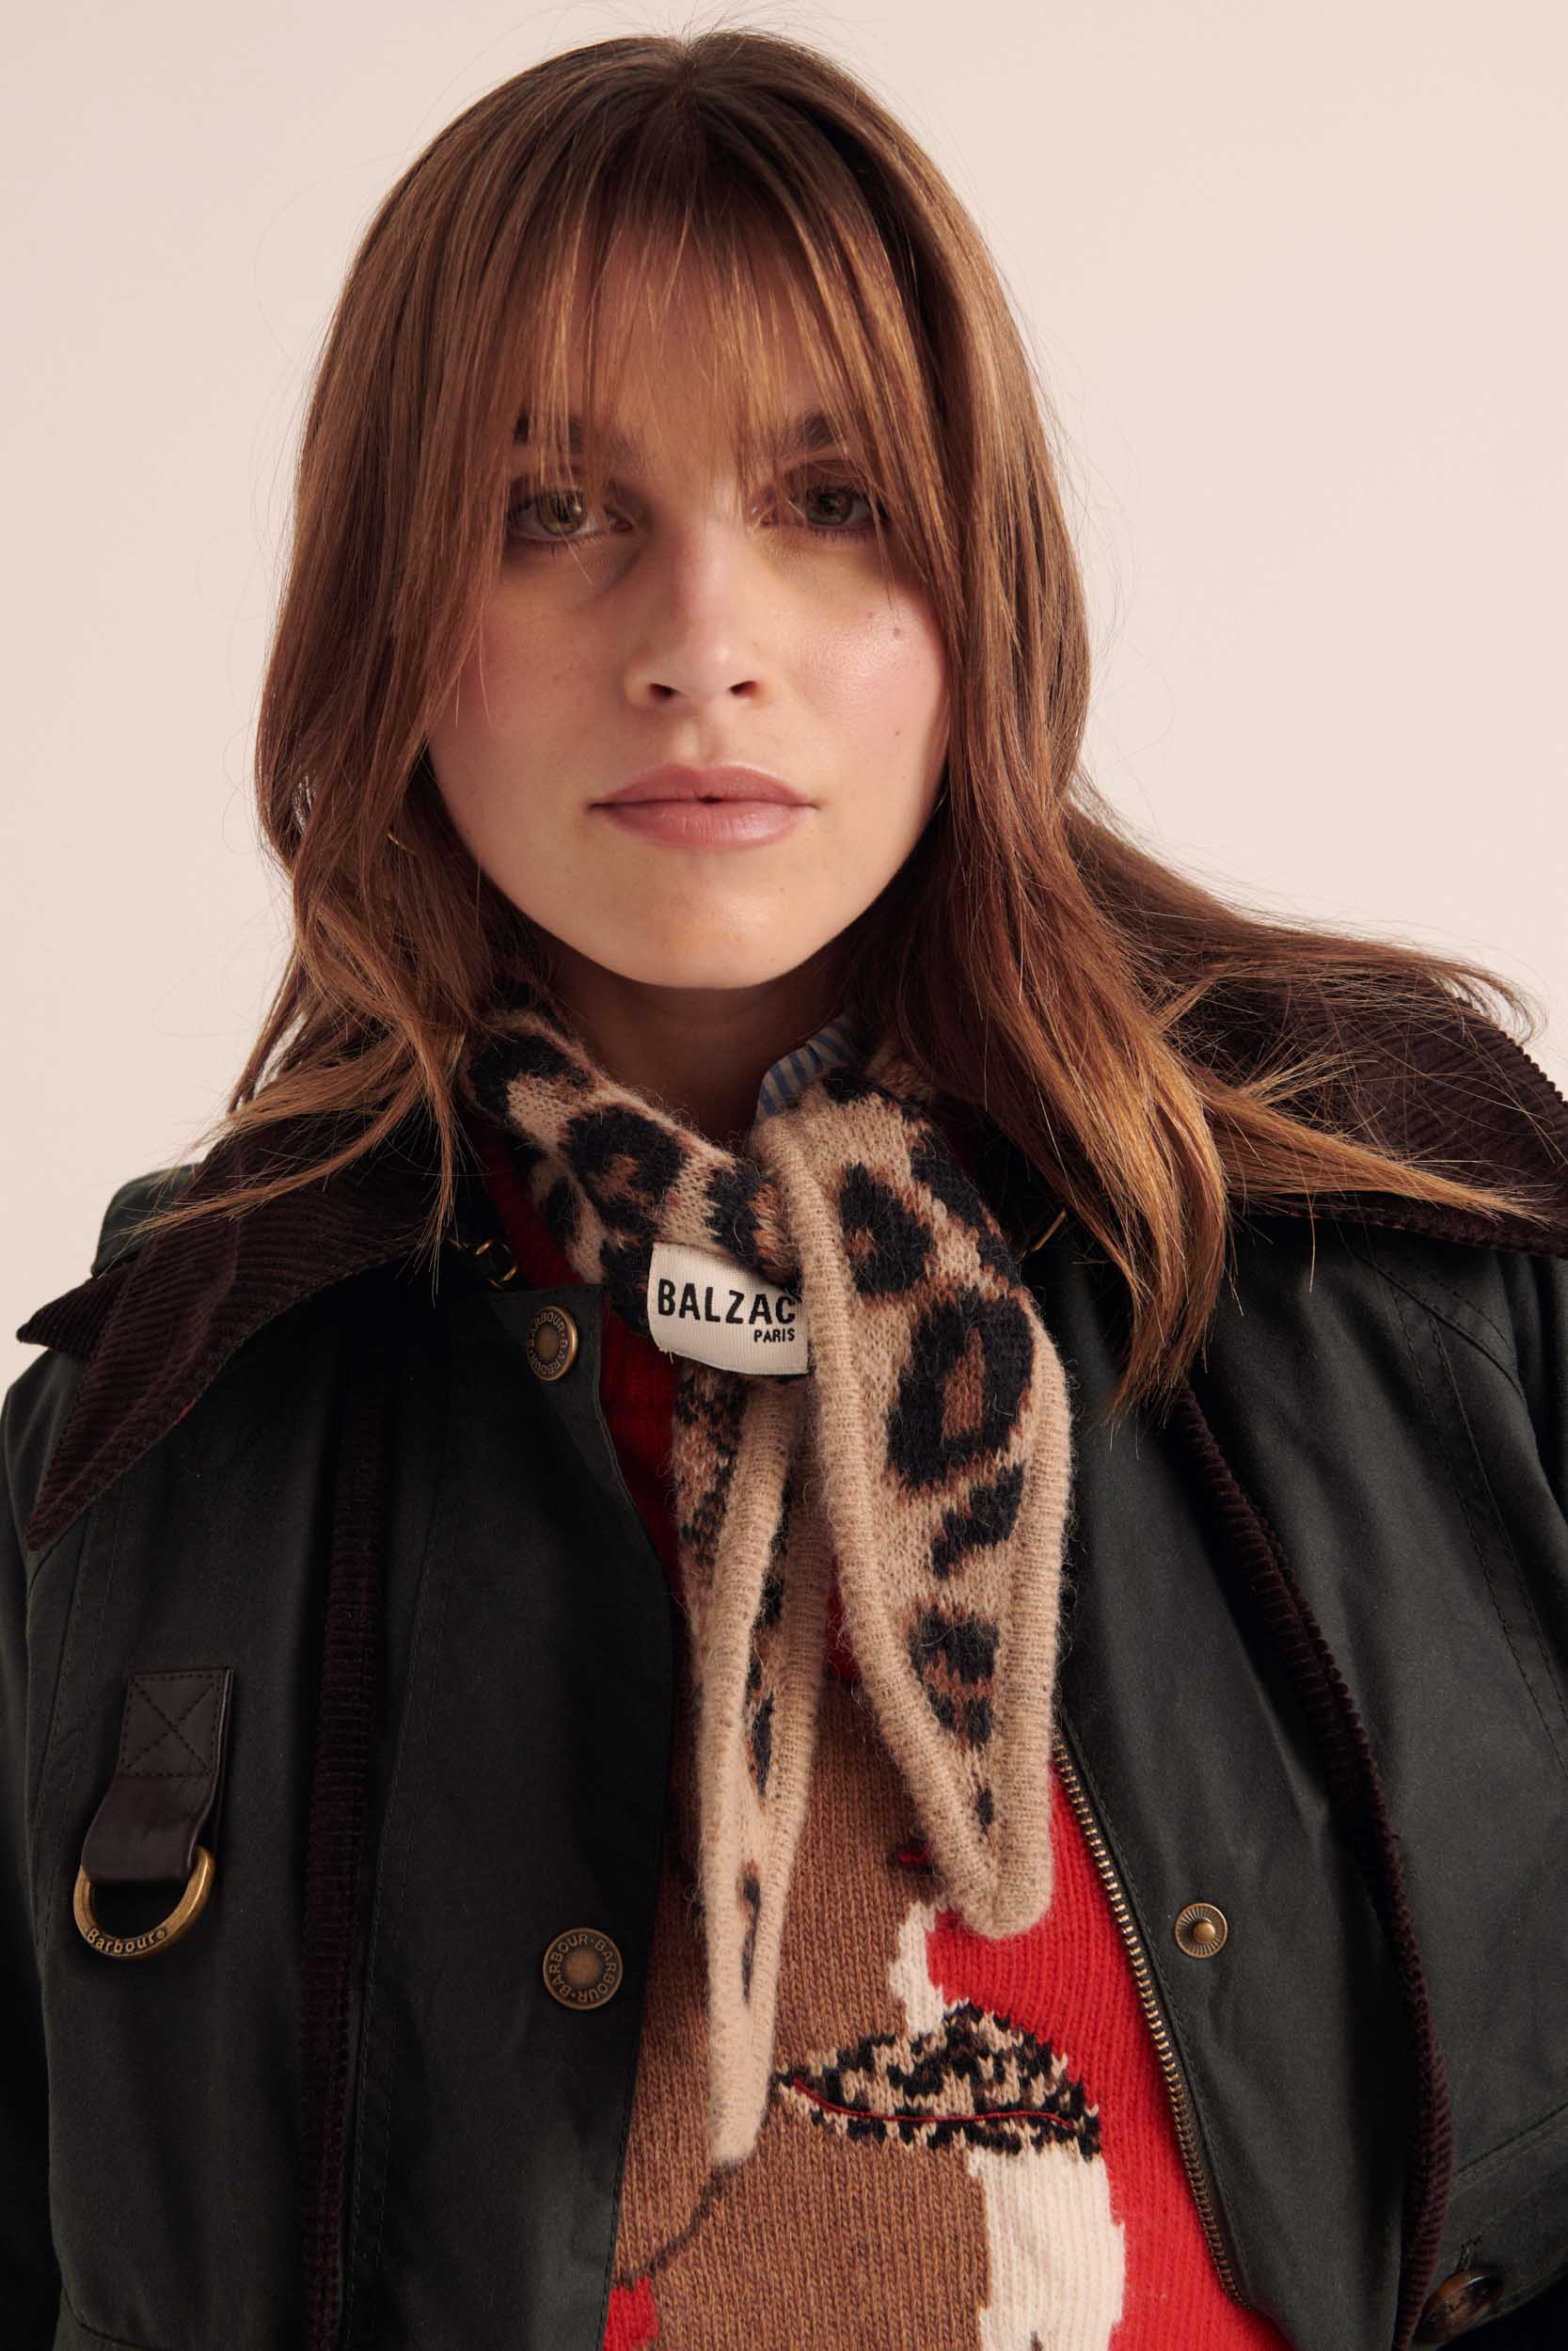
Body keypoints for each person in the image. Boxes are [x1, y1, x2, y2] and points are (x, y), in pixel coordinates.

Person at [4, 28, 1566, 2351]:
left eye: (831, 499)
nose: (700, 645)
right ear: (386, 611)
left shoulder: (1418, 1259)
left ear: (982, 588)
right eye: (552, 512)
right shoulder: (162, 1431)